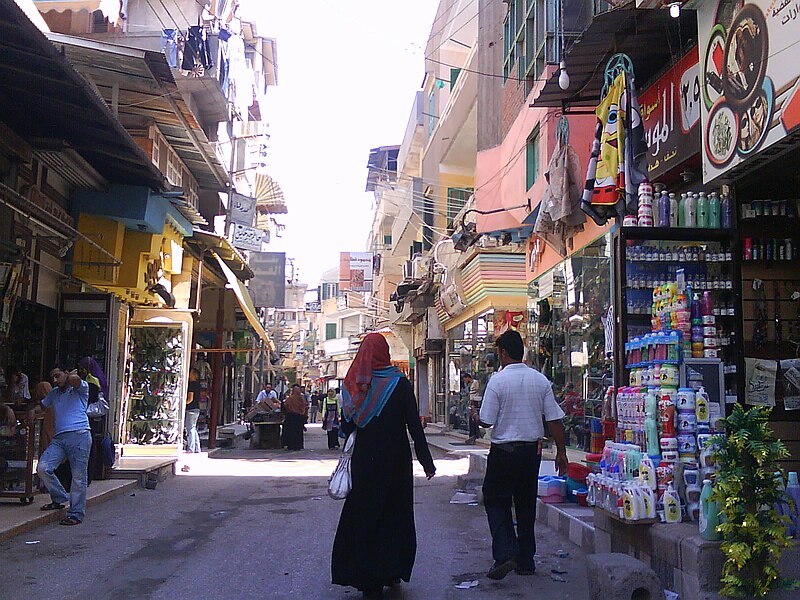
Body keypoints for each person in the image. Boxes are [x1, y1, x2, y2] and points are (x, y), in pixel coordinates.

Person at [332, 333, 436, 599]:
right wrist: (426, 461)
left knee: (366, 513)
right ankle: (392, 569)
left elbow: (346, 427)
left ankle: (367, 577)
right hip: (395, 460)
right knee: (394, 512)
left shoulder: (355, 383)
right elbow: (414, 424)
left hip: (365, 459)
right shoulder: (399, 383)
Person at [478, 330, 567, 580]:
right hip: (531, 453)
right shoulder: (540, 380)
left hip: (503, 452)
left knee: (496, 501)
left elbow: (486, 421)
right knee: (526, 504)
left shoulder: (497, 381)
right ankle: (526, 561)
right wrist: (561, 453)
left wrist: (476, 417)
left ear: (504, 353)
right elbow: (554, 420)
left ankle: (505, 553)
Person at [30, 366, 92, 526]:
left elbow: (76, 381)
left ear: (66, 373)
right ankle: (59, 498)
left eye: (57, 376)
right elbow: (42, 406)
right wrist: (32, 412)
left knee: (78, 477)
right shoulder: (54, 393)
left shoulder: (80, 388)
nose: (55, 381)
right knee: (43, 468)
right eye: (53, 378)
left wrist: (69, 376)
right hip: (59, 439)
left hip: (80, 435)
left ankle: (76, 513)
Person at [282, 384, 307, 450]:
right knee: (298, 432)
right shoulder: (302, 398)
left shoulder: (290, 398)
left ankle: (291, 445)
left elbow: (286, 405)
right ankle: (298, 445)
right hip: (299, 417)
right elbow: (304, 406)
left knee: (291, 431)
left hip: (291, 416)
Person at [461, 372, 482, 444]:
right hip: (471, 401)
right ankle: (471, 434)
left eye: (465, 379)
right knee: (470, 419)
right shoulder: (469, 384)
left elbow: (476, 391)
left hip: (475, 401)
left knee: (473, 418)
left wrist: (469, 393)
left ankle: (475, 434)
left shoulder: (475, 382)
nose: (465, 381)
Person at [185, 368, 202, 454]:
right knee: (193, 428)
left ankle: (191, 449)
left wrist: (183, 404)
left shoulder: (191, 385)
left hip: (191, 409)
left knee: (190, 429)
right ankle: (197, 448)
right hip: (196, 408)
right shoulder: (198, 385)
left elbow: (190, 399)